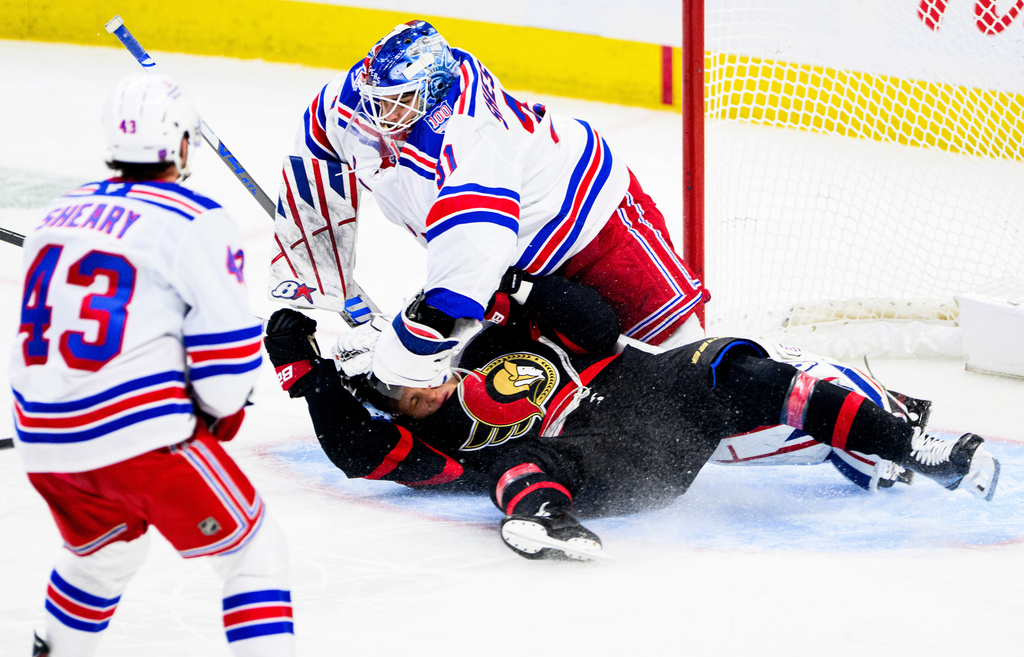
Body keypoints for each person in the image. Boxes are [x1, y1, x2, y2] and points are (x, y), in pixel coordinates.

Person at [263, 272, 1000, 561]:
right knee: (520, 466)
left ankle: (915, 446)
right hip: (608, 459)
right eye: (394, 395)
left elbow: (598, 326)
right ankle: (543, 519)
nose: (413, 393)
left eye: (411, 377)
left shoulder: (484, 337)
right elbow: (358, 452)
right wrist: (306, 374)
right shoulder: (425, 445)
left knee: (744, 371)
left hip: (648, 394)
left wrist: (508, 285)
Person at [10, 74, 295, 657]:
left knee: (102, 556)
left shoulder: (56, 217)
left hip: (40, 437)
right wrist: (221, 412)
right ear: (182, 144)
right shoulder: (196, 219)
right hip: (136, 438)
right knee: (252, 549)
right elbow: (224, 368)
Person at [286, 19, 708, 389]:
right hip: (514, 270)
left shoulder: (469, 133)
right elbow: (317, 149)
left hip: (592, 229)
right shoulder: (363, 100)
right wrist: (312, 278)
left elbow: (473, 242)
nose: (380, 112)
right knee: (561, 383)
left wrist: (419, 338)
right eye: (379, 98)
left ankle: (767, 404)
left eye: (399, 101)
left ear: (434, 89)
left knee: (689, 368)